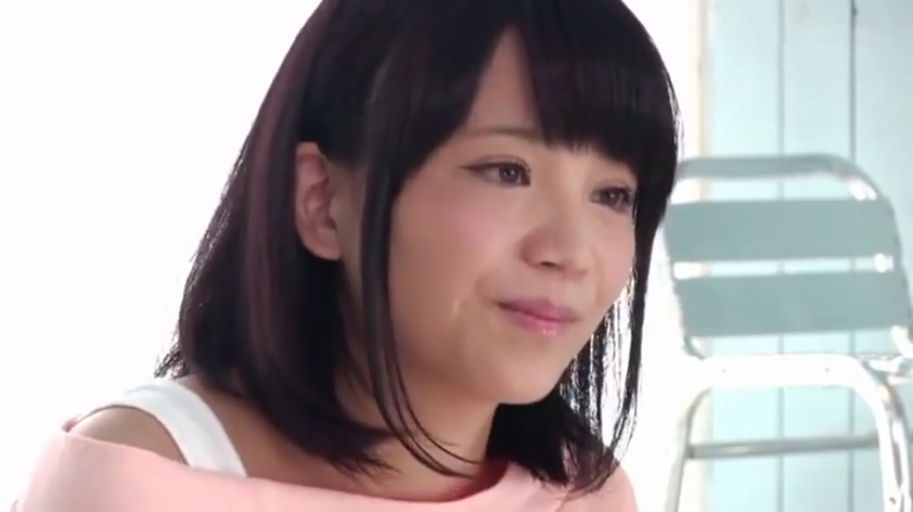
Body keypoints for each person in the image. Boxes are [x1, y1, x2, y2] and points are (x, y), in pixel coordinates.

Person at [16, 0, 678, 510]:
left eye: (613, 194)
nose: (568, 251)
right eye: (507, 172)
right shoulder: (142, 479)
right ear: (323, 201)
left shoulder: (584, 496)